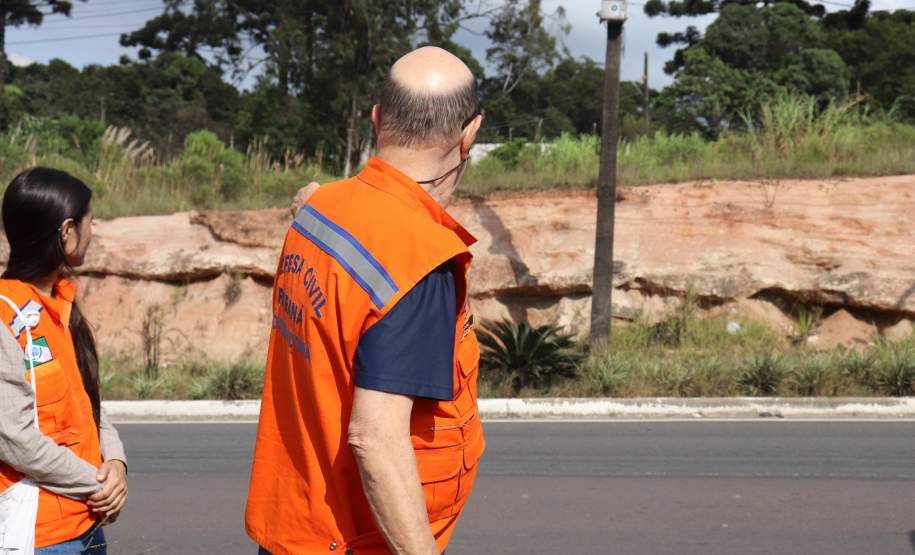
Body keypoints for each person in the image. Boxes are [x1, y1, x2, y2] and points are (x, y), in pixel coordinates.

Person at [246, 46, 485, 555]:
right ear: (469, 136)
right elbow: (375, 439)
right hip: (352, 540)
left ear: (378, 118)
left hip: (292, 525)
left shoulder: (320, 211)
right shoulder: (418, 262)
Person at [0, 168, 128, 554]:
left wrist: (118, 463)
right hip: (42, 537)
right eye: (90, 221)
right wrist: (97, 484)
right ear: (66, 230)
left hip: (88, 526)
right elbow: (15, 439)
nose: (95, 230)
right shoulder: (6, 315)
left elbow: (88, 403)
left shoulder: (60, 304)